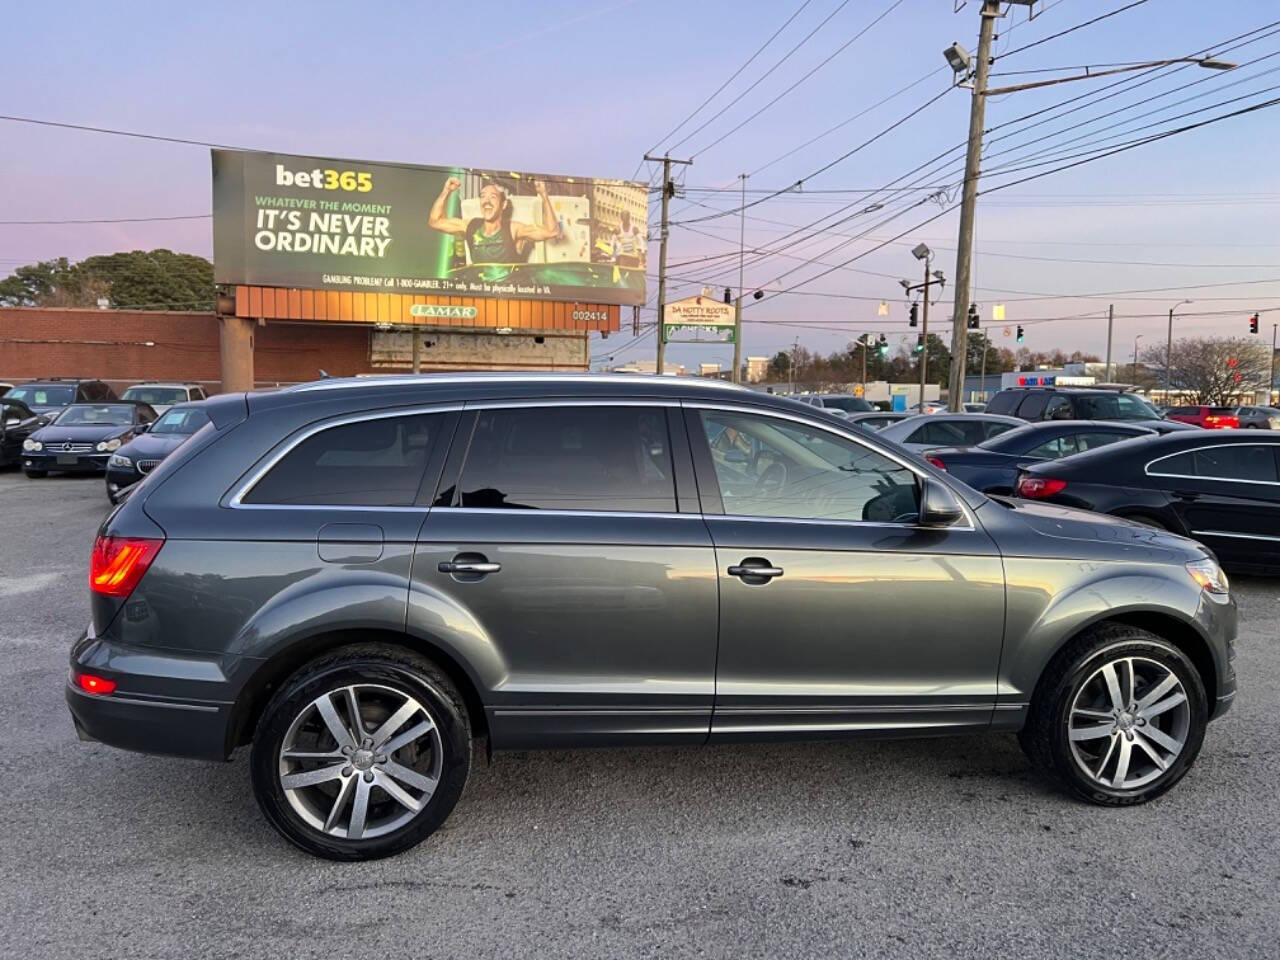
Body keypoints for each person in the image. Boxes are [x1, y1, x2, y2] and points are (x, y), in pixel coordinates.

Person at [428, 177, 559, 264]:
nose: (486, 201)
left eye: (493, 197)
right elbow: (435, 221)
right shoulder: (470, 226)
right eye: (483, 197)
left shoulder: (514, 230)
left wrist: (544, 195)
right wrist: (446, 191)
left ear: (503, 205)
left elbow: (551, 231)